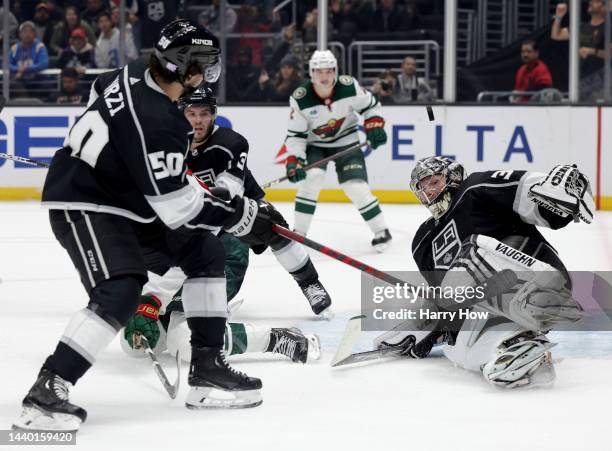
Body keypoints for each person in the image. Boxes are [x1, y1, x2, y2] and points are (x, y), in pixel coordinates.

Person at [13, 19, 278, 432]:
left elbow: (100, 89)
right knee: (121, 289)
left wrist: (120, 156)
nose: (210, 73)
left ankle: (206, 368)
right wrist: (241, 216)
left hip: (125, 200)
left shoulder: (134, 71)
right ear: (184, 67)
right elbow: (177, 209)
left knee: (203, 251)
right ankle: (47, 389)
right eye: (205, 63)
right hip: (86, 203)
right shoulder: (160, 122)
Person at [373, 156, 593, 388]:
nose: (428, 191)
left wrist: (561, 188)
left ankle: (533, 309)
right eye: (422, 187)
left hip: (538, 277)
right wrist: (424, 329)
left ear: (453, 177)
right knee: (458, 347)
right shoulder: (422, 242)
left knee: (472, 251)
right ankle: (520, 348)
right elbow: (447, 301)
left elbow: (529, 192)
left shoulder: (474, 189)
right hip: (499, 303)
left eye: (434, 182)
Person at [284, 50, 392, 252]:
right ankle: (298, 234)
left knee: (355, 186)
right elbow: (296, 135)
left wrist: (374, 125)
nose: (323, 76)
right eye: (318, 71)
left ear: (335, 71)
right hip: (315, 144)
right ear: (311, 73)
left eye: (328, 71)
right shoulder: (300, 99)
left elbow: (371, 106)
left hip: (347, 140)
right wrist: (294, 160)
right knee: (312, 178)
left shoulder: (349, 86)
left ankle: (381, 231)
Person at [551, 0, 608, 100]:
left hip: (599, 81)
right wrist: (559, 17)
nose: (591, 2)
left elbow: (610, 54)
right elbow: (556, 35)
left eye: (596, 1)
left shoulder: (607, 28)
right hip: (580, 79)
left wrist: (592, 51)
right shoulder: (580, 27)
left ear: (603, 7)